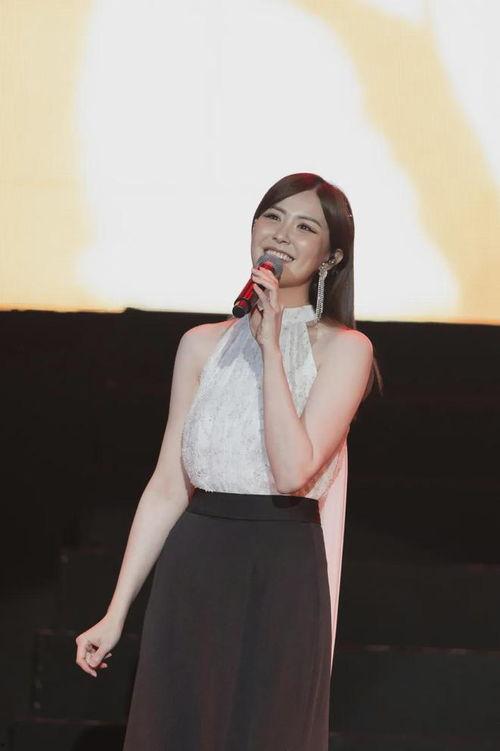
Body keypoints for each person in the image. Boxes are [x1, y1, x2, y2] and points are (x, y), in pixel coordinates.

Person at [75, 172, 382, 750]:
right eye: (273, 217)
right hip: (196, 564)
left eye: (305, 226)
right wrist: (115, 612)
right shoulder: (200, 344)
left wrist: (271, 348)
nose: (282, 235)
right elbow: (168, 486)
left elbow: (293, 472)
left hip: (282, 570)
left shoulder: (346, 349)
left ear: (330, 257)